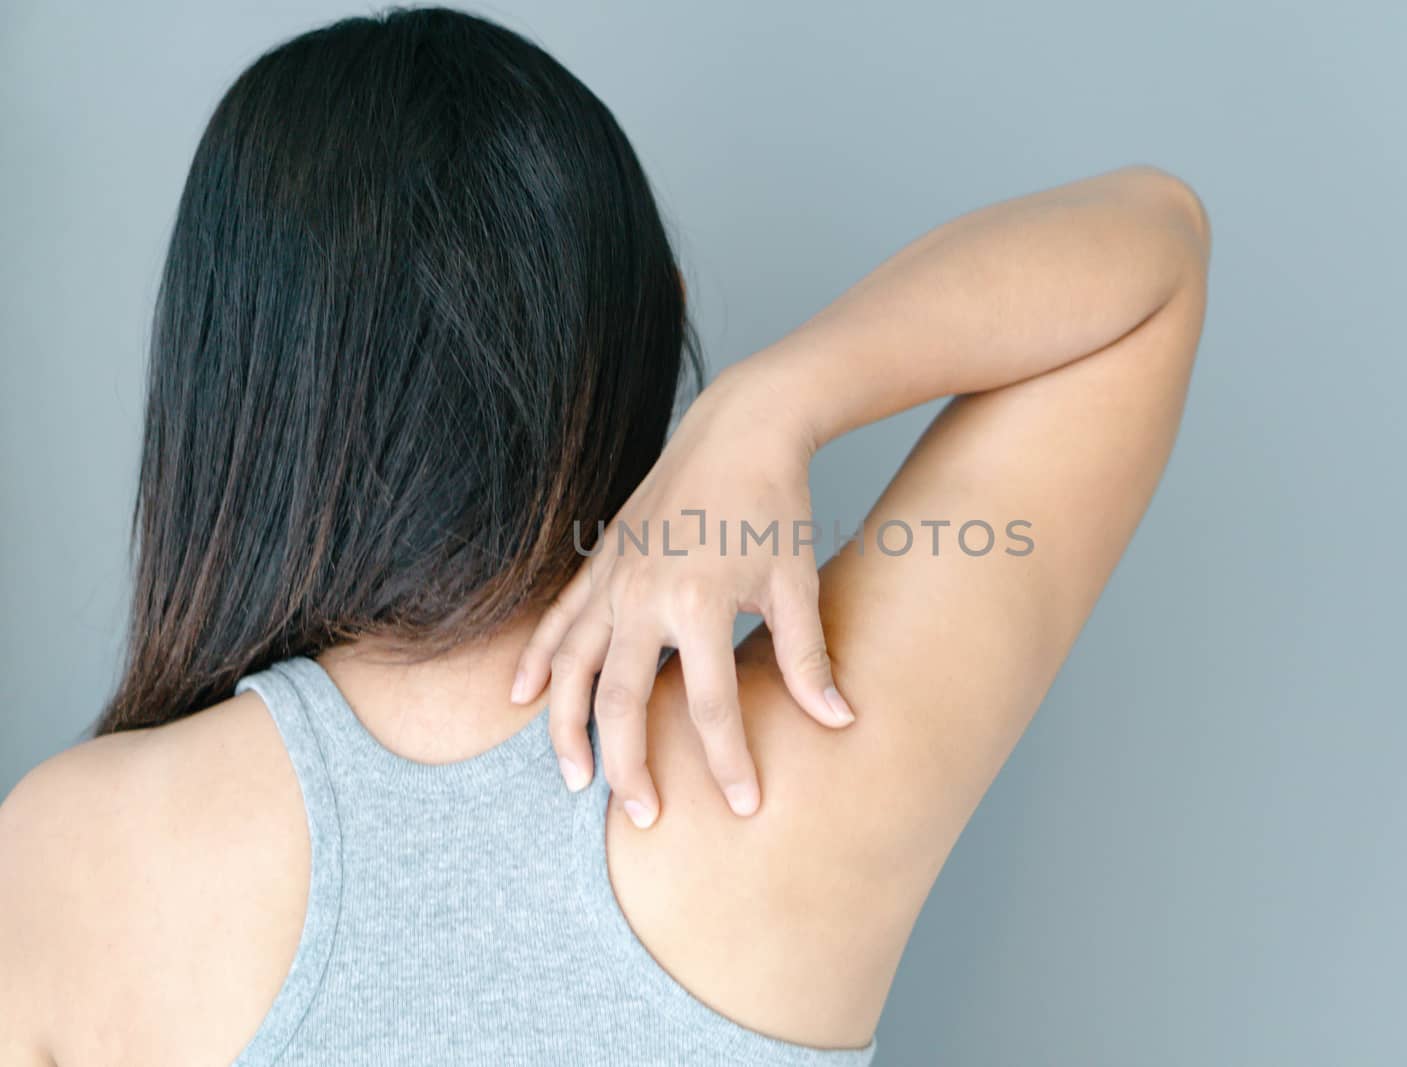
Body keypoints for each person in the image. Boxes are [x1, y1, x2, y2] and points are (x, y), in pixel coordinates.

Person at [0, 7, 1210, 1065]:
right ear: (654, 329)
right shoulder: (785, 767)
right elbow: (1156, 245)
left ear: (231, 391)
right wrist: (767, 402)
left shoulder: (68, 857)